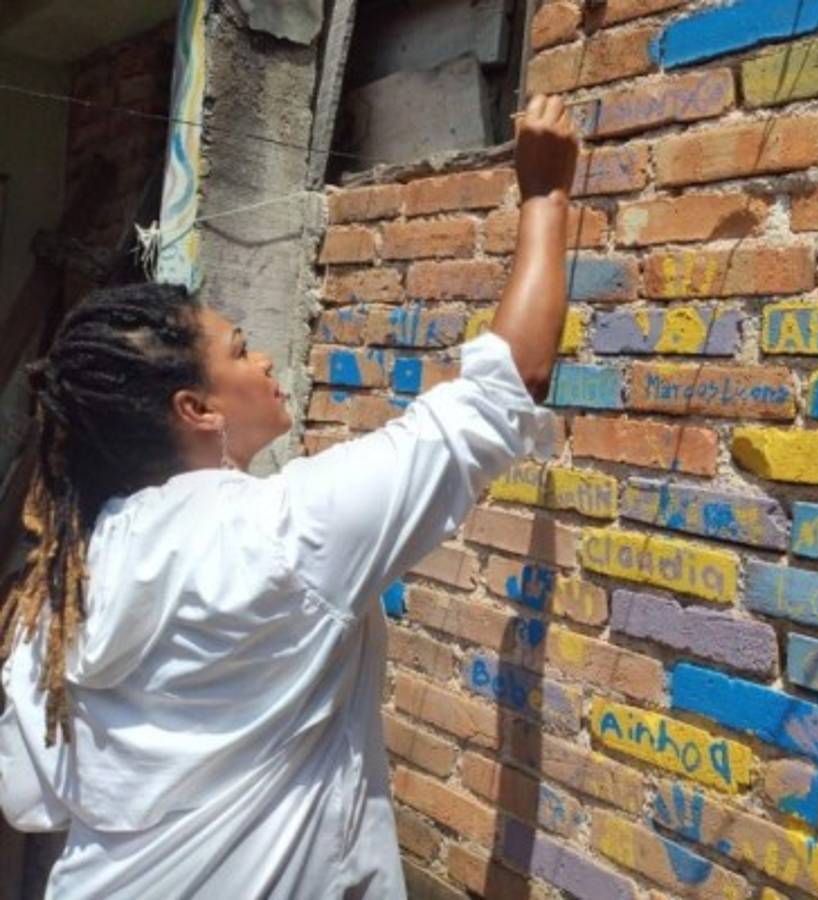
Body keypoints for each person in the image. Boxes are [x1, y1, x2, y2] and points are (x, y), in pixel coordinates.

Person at [0, 95, 579, 899]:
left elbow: (31, 796)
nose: (265, 360)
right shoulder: (281, 535)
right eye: (239, 350)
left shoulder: (71, 576)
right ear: (195, 410)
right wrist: (546, 195)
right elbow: (505, 388)